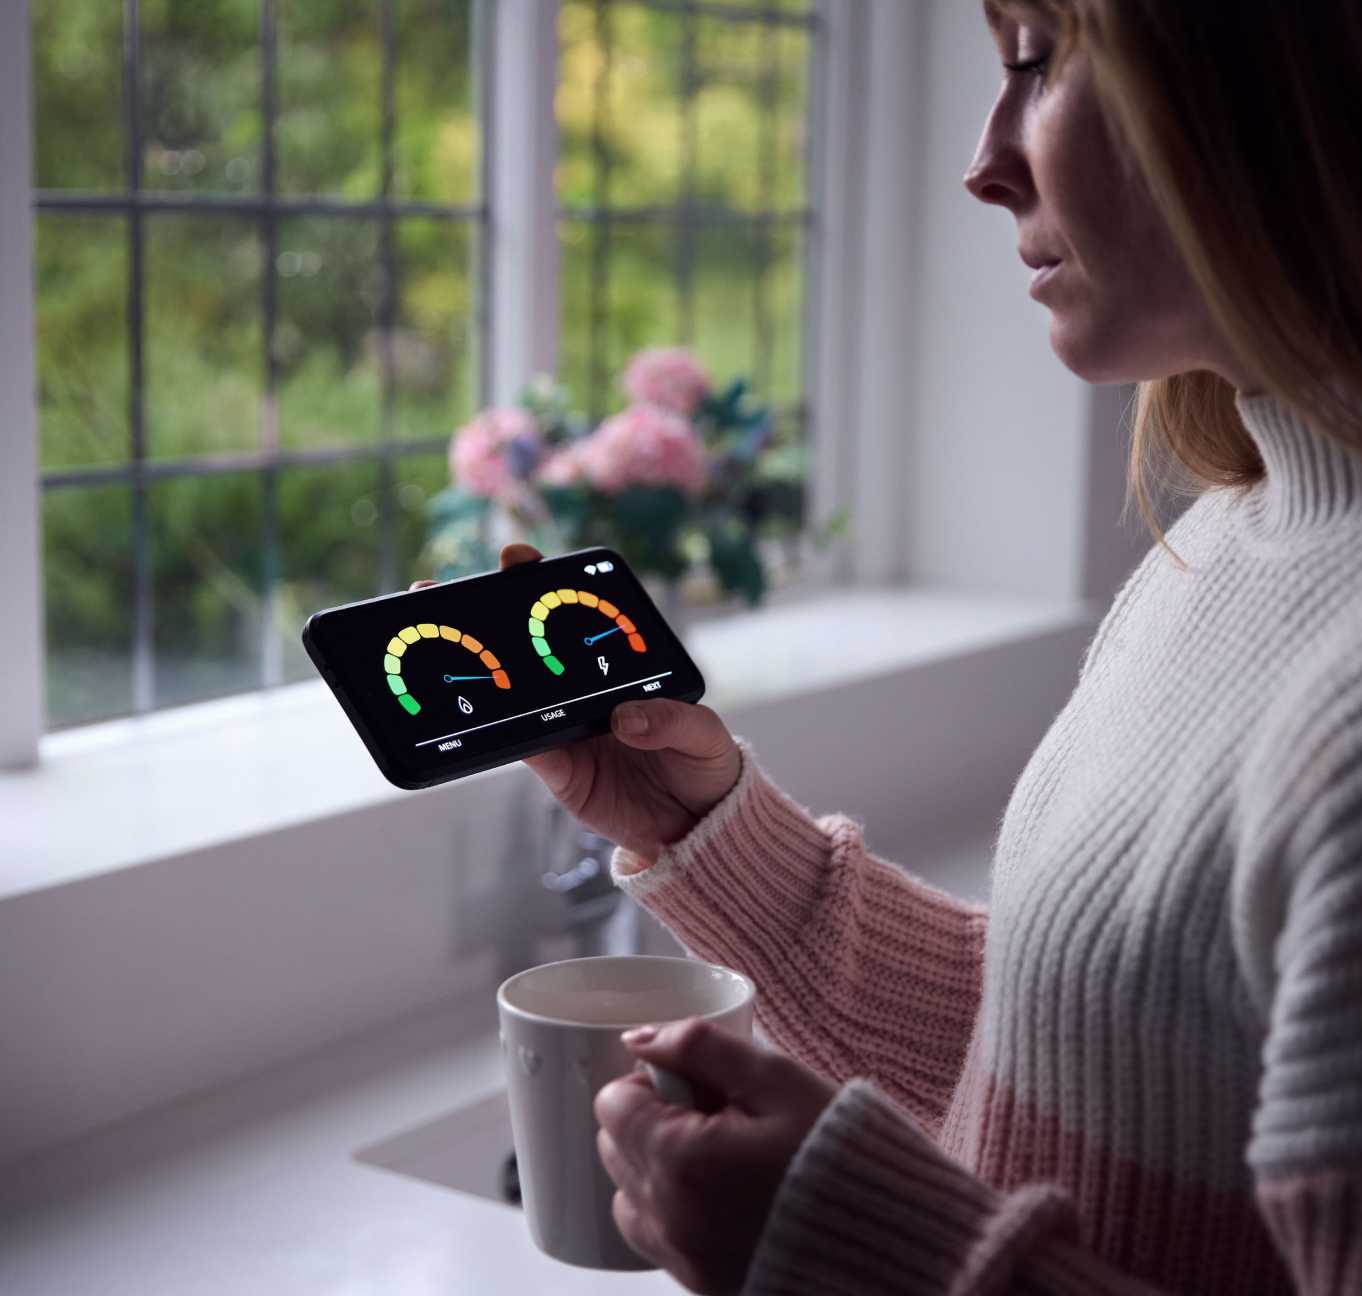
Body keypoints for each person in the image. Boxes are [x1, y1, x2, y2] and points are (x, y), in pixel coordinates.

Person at [422, 0, 1362, 1289]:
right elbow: (1090, 1051)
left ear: (1279, 77)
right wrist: (720, 840)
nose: (983, 161)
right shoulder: (1242, 542)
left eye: (1039, 59)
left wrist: (864, 1254)